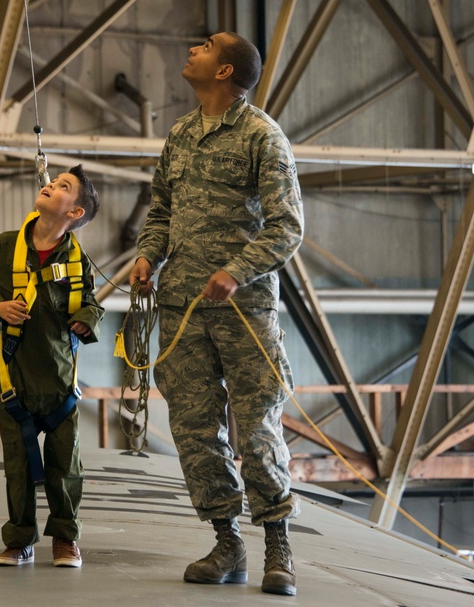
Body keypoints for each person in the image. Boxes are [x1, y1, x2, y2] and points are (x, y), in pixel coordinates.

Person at [129, 32, 304, 596]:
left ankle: (278, 547)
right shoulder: (180, 135)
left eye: (205, 46)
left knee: (256, 431)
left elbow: (287, 225)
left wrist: (237, 269)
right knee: (195, 432)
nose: (193, 49)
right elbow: (161, 209)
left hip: (244, 310)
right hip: (181, 307)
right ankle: (227, 542)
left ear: (226, 71)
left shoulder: (262, 136)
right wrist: (148, 255)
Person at [0, 165, 104, 568]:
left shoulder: (78, 261)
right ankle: (19, 540)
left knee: (66, 467)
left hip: (61, 384)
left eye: (63, 186)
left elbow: (93, 303)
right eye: (53, 180)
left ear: (75, 213)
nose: (50, 184)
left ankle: (65, 539)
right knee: (17, 468)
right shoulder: (5, 246)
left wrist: (88, 319)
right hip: (17, 384)